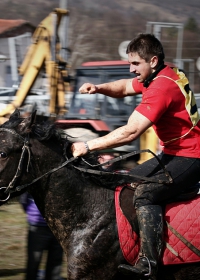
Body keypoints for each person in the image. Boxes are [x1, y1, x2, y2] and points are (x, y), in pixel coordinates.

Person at [71, 33, 200, 279]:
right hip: (176, 152)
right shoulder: (161, 73)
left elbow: (131, 131)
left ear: (152, 61)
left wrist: (87, 146)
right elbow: (124, 87)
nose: (130, 69)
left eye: (135, 64)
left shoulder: (161, 87)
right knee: (127, 183)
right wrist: (99, 88)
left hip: (192, 156)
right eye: (130, 63)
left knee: (144, 195)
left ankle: (149, 264)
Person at [20, 192, 63, 280]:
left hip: (57, 228)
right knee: (33, 264)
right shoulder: (33, 181)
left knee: (55, 265)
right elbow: (23, 200)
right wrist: (32, 214)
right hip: (37, 228)